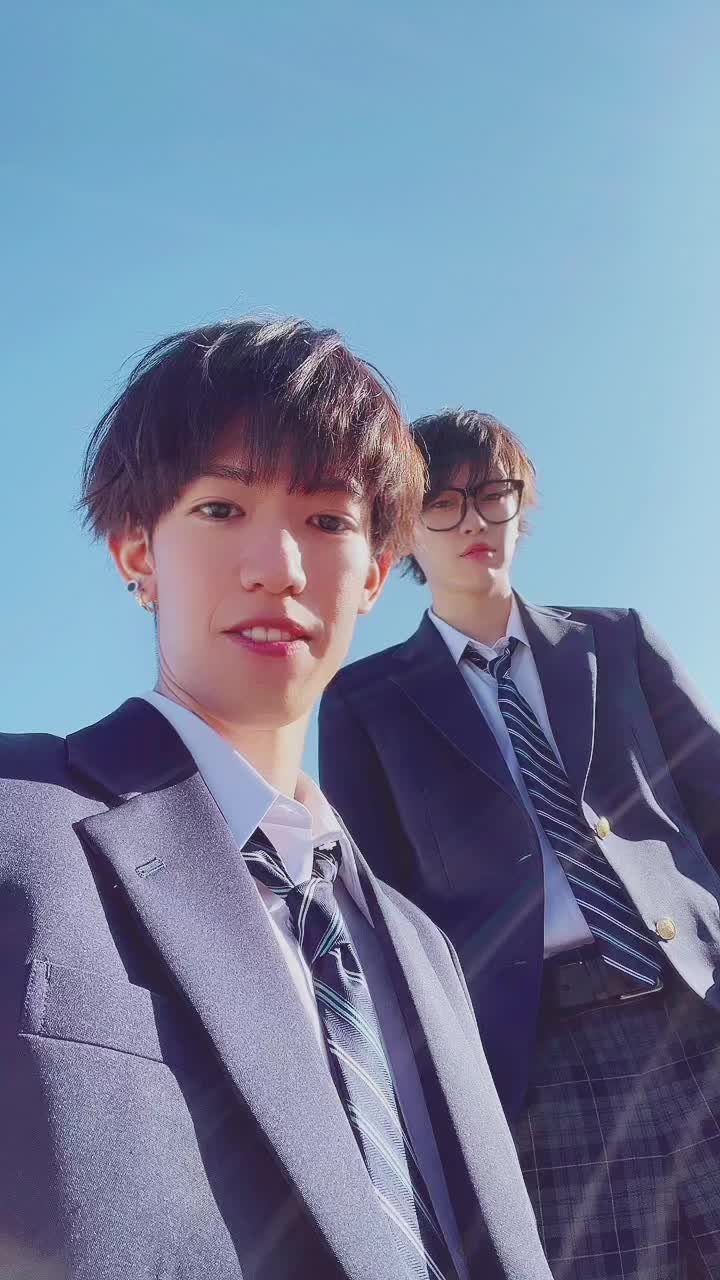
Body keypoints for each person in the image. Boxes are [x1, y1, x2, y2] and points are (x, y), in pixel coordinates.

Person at [0, 339, 552, 1280]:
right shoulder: (20, 819)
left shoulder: (426, 951)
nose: (280, 566)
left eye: (328, 519)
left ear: (374, 576)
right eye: (221, 508)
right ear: (136, 550)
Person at [319, 408, 720, 1280]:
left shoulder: (615, 640)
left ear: (520, 504)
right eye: (442, 503)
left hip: (697, 1002)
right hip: (534, 1058)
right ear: (403, 534)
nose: (474, 520)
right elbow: (378, 911)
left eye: (492, 494)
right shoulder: (364, 702)